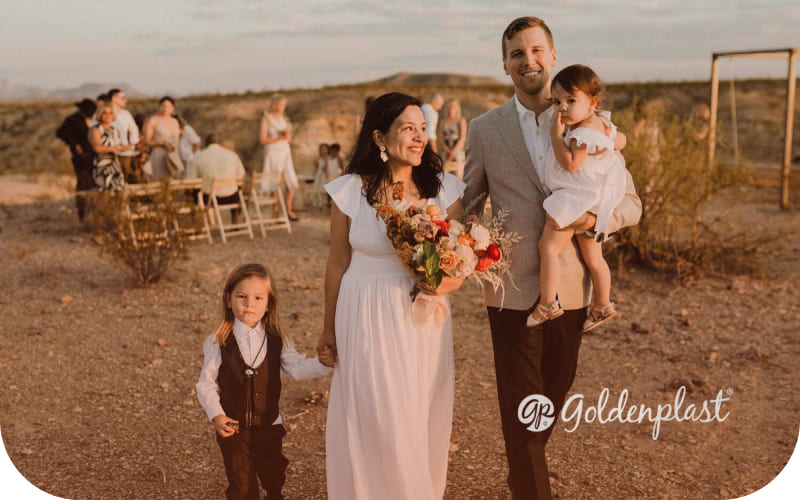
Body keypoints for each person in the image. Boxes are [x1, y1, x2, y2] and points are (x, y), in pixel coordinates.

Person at [462, 17, 642, 499]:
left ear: (554, 55)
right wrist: (454, 243)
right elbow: (468, 202)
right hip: (511, 288)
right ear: (504, 65)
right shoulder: (484, 129)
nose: (528, 60)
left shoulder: (594, 124)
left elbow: (631, 203)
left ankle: (526, 463)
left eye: (537, 50)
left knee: (553, 392)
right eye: (517, 53)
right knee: (522, 404)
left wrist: (593, 223)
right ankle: (529, 482)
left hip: (576, 284)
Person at [317, 92, 465, 499]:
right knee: (374, 411)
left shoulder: (444, 189)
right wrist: (328, 328)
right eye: (408, 129)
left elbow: (459, 261)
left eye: (422, 129)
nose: (419, 137)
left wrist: (445, 283)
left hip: (423, 318)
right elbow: (335, 262)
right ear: (380, 137)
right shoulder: (349, 190)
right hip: (363, 311)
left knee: (418, 409)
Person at [196, 263, 334, 500]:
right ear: (229, 300)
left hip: (269, 426)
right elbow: (206, 383)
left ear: (269, 303)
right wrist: (216, 415)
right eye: (242, 296)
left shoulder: (277, 338)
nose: (250, 304)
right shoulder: (219, 340)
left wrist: (323, 363)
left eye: (258, 298)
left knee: (274, 480)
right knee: (241, 487)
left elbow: (297, 369)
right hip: (234, 428)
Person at [526, 64, 628, 332]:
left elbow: (571, 164)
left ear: (592, 102)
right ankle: (603, 304)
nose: (562, 108)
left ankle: (547, 303)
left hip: (574, 199)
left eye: (571, 101)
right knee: (594, 258)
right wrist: (609, 140)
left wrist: (556, 136)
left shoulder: (581, 135)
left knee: (547, 248)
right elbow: (623, 141)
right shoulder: (601, 123)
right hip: (594, 197)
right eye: (557, 101)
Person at [88, 103, 132, 239]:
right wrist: (116, 148)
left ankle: (119, 231)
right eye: (105, 113)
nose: (108, 115)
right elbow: (97, 148)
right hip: (103, 166)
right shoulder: (95, 130)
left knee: (121, 200)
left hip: (115, 164)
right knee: (103, 201)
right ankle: (97, 233)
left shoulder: (114, 129)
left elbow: (117, 146)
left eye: (110, 113)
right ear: (100, 114)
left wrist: (123, 148)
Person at [259, 94, 299, 221]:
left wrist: (286, 136)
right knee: (274, 182)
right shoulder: (266, 119)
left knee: (291, 181)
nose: (283, 107)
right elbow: (262, 140)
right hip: (272, 152)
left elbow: (289, 138)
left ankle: (288, 210)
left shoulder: (284, 119)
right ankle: (275, 211)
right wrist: (279, 138)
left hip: (285, 151)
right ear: (275, 105)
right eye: (281, 105)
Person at [56, 98, 96, 221]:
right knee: (83, 184)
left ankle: (93, 212)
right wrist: (74, 144)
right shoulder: (73, 120)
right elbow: (60, 133)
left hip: (95, 156)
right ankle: (82, 213)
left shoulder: (95, 120)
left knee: (95, 184)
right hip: (81, 158)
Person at [193, 133, 247, 223]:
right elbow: (242, 176)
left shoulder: (198, 157)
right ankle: (234, 220)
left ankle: (196, 223)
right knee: (239, 191)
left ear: (205, 144)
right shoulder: (232, 155)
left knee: (193, 193)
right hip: (232, 197)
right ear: (220, 143)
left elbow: (191, 179)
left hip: (209, 198)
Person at [142, 96, 180, 180]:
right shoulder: (154, 120)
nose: (166, 109)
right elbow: (146, 141)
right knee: (159, 181)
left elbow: (176, 140)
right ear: (159, 106)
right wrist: (162, 144)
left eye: (169, 106)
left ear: (172, 108)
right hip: (158, 154)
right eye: (163, 106)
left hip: (172, 156)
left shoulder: (175, 121)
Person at [108, 88, 140, 182]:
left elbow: (134, 129)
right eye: (123, 98)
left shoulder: (125, 114)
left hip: (125, 153)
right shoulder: (103, 113)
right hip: (107, 153)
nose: (125, 100)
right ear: (114, 98)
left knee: (125, 179)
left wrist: (132, 144)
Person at [437, 99, 468, 177]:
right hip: (445, 151)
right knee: (444, 175)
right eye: (450, 106)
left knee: (458, 176)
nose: (451, 108)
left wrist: (453, 152)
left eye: (454, 106)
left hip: (458, 152)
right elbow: (441, 138)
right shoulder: (443, 121)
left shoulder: (461, 120)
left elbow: (463, 137)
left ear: (457, 108)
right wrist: (447, 150)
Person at [311, 143, 329, 207]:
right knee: (316, 188)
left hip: (324, 175)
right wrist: (315, 163)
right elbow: (317, 167)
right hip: (319, 174)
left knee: (323, 189)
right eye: (322, 149)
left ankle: (324, 202)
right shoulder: (319, 157)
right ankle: (317, 202)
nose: (323, 150)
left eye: (325, 149)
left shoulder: (328, 157)